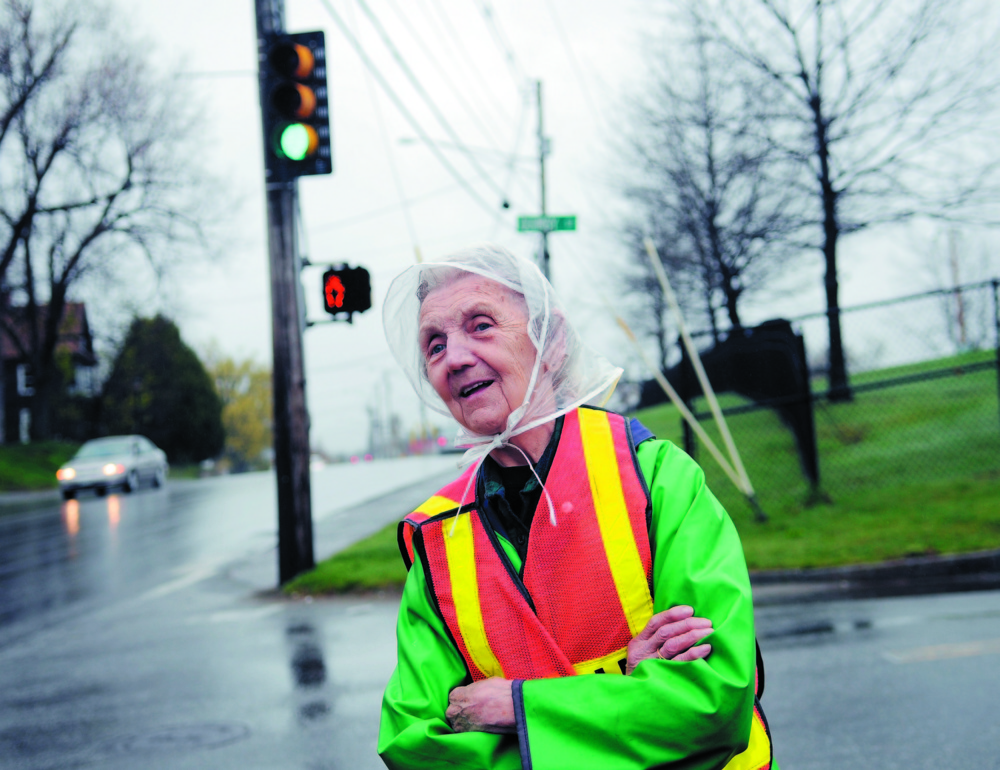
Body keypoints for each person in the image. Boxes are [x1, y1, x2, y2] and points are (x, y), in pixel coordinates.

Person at [378, 244, 775, 770]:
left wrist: (516, 708)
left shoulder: (654, 474)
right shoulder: (436, 536)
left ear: (553, 342)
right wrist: (629, 697)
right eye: (434, 344)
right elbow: (414, 746)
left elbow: (712, 704)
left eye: (480, 325)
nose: (454, 357)